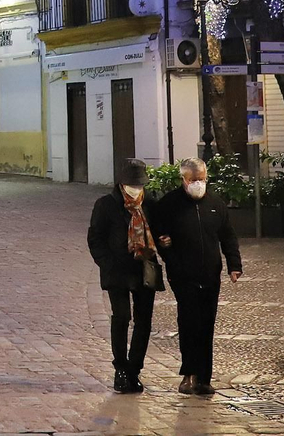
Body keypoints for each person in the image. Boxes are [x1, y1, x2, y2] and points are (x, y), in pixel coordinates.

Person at [154, 157, 243, 396]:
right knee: (189, 322)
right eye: (194, 180)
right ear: (183, 179)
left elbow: (228, 236)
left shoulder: (216, 203)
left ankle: (204, 377)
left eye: (202, 179)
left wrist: (234, 265)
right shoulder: (170, 204)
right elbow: (159, 236)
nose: (198, 184)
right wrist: (170, 255)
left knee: (206, 324)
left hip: (210, 274)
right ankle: (189, 374)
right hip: (183, 275)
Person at [86, 158, 161, 394]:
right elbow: (95, 238)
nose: (136, 189)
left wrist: (162, 242)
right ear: (121, 183)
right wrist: (106, 263)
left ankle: (134, 370)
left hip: (144, 268)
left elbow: (159, 232)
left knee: (144, 322)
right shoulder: (106, 205)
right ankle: (120, 368)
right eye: (133, 184)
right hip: (117, 270)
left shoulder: (150, 203)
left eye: (140, 185)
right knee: (121, 317)